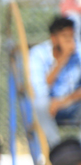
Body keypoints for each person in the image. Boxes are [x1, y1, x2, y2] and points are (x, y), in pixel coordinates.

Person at [28, 16, 81, 147]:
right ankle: (57, 148)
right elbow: (40, 90)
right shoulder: (38, 54)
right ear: (54, 38)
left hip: (72, 103)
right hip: (49, 107)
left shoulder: (79, 52)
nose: (70, 41)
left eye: (71, 36)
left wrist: (63, 101)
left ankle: (78, 151)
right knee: (40, 104)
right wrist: (63, 59)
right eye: (65, 36)